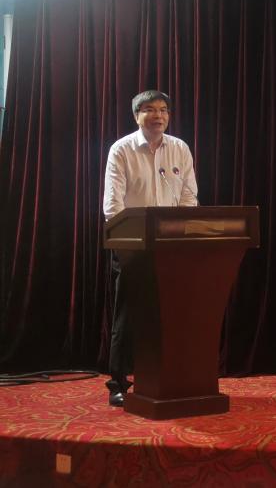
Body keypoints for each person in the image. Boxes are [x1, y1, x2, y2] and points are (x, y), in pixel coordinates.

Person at [102, 90, 198, 406]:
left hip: (172, 247)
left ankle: (170, 377)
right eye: (149, 109)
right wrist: (131, 239)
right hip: (133, 247)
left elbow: (189, 197)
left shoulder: (179, 148)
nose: (158, 115)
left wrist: (182, 235)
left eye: (163, 109)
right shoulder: (122, 150)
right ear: (136, 115)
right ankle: (118, 382)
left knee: (171, 314)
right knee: (127, 316)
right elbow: (112, 206)